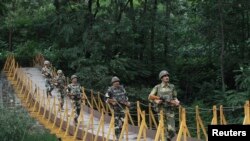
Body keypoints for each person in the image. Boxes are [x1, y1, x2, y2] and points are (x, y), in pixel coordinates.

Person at [148, 70, 180, 141]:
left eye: (167, 76)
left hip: (170, 110)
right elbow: (150, 96)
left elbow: (175, 97)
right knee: (163, 129)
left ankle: (167, 139)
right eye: (164, 76)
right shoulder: (157, 87)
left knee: (172, 130)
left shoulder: (172, 86)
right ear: (161, 78)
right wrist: (156, 101)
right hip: (161, 110)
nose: (167, 77)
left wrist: (177, 102)